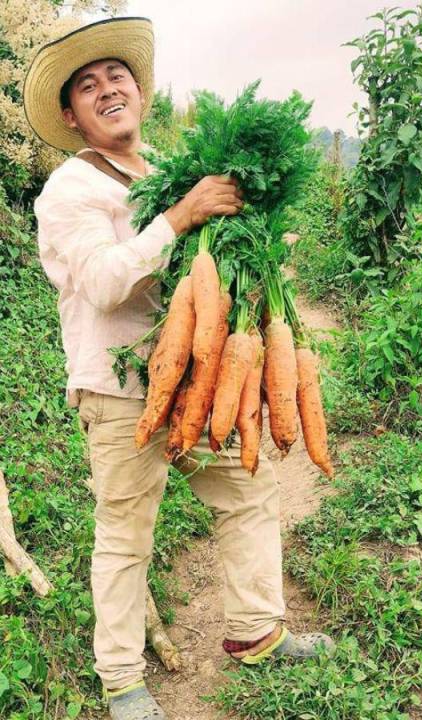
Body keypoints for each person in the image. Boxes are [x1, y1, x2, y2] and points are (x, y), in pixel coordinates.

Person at [26, 18, 332, 719]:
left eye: (117, 77)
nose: (107, 90)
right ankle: (123, 680)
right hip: (119, 390)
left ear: (140, 91)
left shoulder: (163, 167)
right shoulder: (70, 190)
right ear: (72, 117)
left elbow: (203, 269)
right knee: (127, 531)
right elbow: (104, 283)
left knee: (248, 490)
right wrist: (182, 217)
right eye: (87, 86)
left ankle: (255, 631)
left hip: (199, 383)